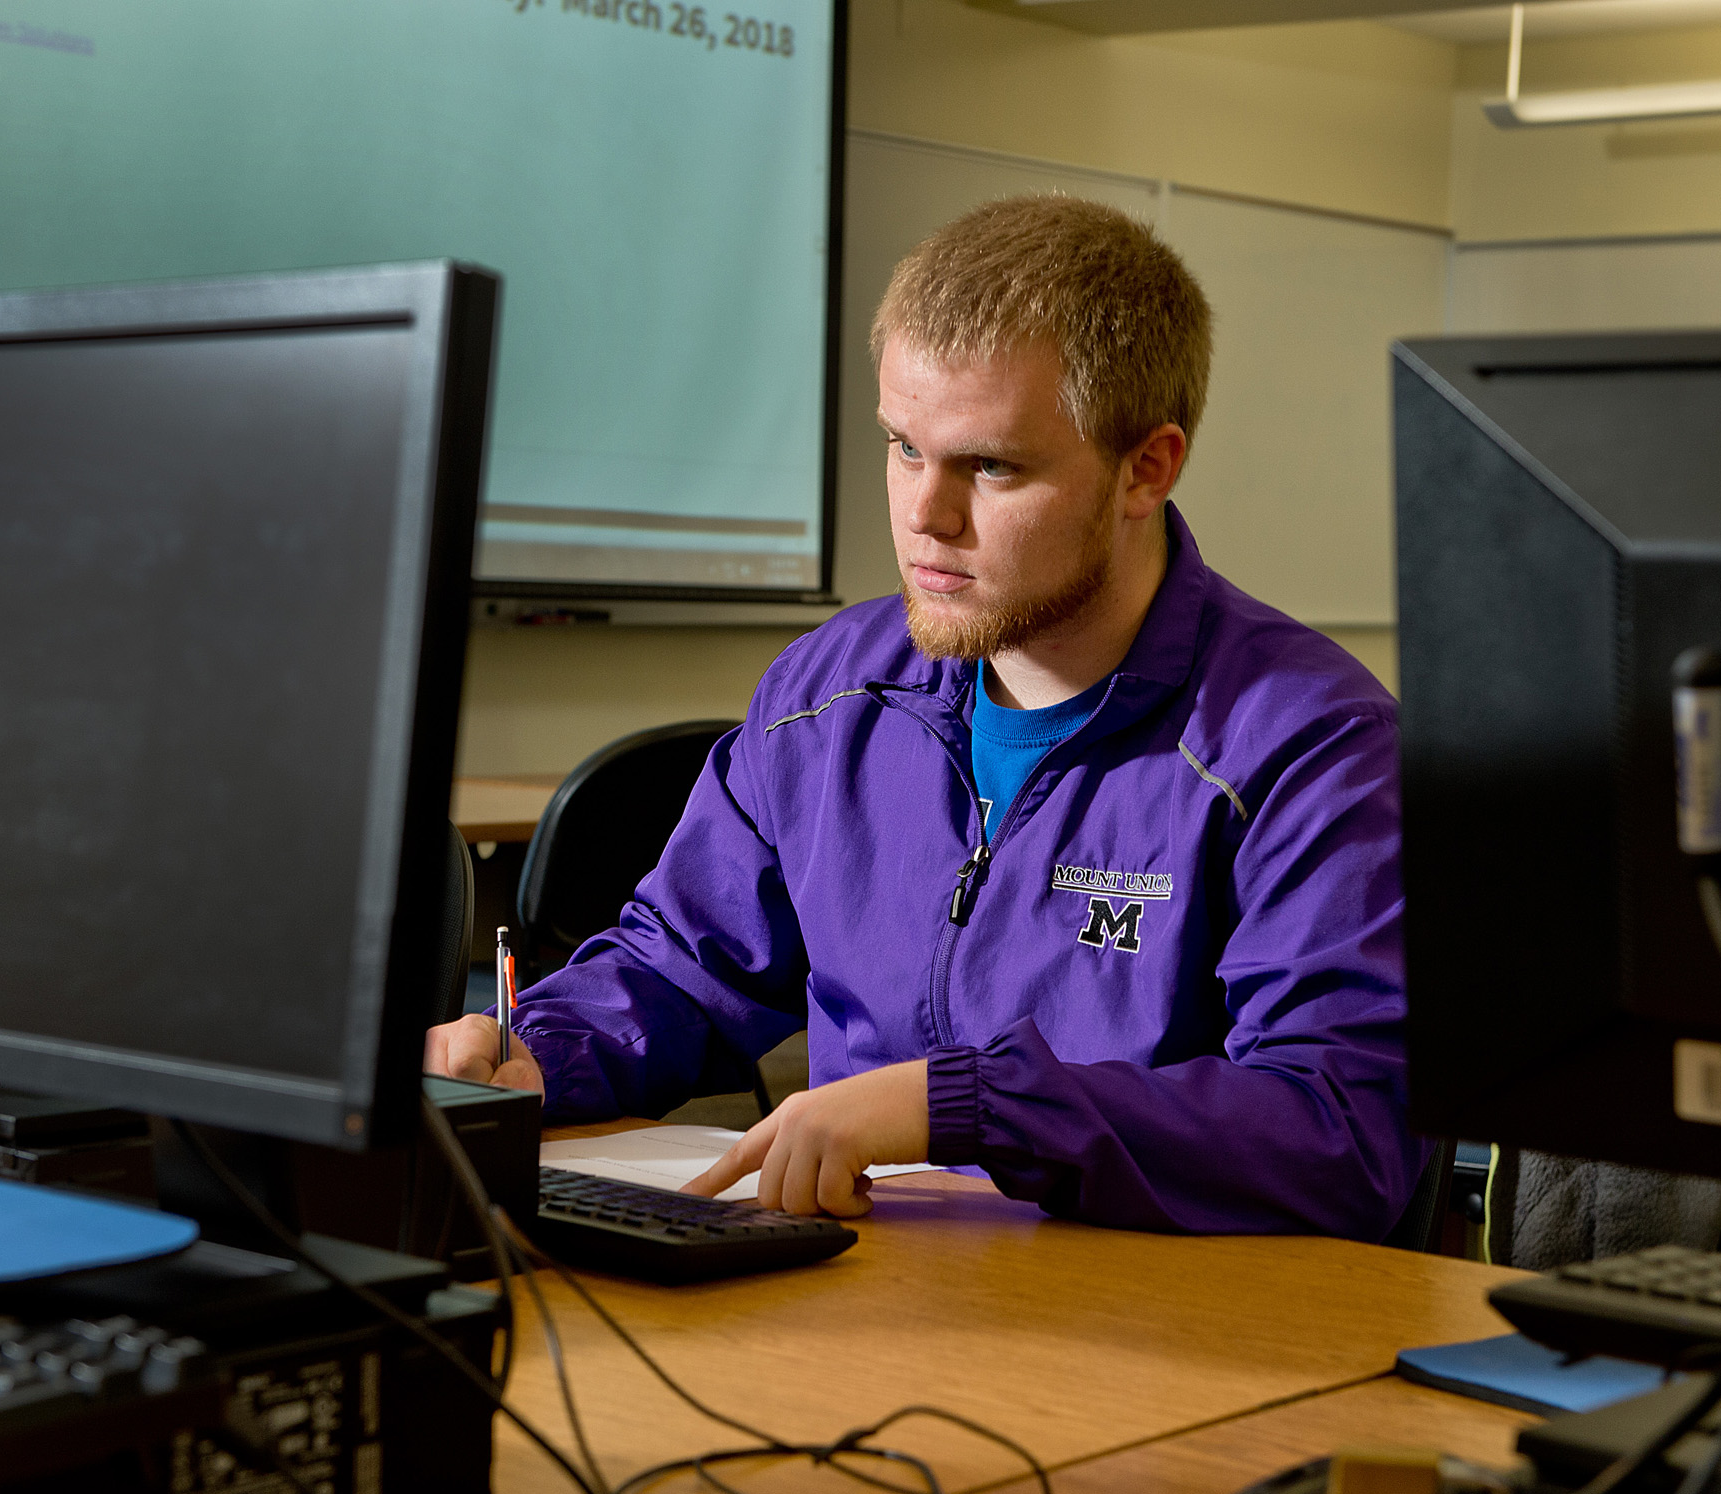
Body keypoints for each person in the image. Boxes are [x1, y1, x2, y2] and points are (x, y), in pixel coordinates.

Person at [427, 194, 1421, 1237]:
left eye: (989, 466)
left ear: (1147, 468)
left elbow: (1344, 1132)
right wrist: (531, 1049)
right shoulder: (823, 700)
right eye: (903, 447)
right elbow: (678, 969)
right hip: (862, 1302)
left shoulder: (1310, 748)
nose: (924, 517)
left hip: (1146, 1331)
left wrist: (967, 1108)